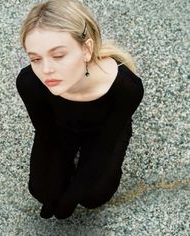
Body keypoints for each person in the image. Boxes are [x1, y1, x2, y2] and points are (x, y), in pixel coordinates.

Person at [16, 0, 144, 219]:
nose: (46, 70)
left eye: (58, 56)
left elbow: (105, 143)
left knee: (94, 196)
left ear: (86, 49)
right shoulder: (30, 83)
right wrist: (54, 190)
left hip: (104, 131)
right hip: (60, 129)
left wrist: (72, 196)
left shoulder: (126, 88)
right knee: (40, 190)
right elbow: (47, 135)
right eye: (35, 59)